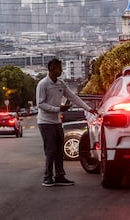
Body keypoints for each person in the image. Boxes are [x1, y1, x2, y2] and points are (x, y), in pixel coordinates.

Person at [36, 58, 97, 187]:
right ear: (51, 69)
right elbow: (40, 104)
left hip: (56, 121)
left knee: (59, 150)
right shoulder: (43, 84)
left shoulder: (60, 84)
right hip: (45, 122)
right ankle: (47, 177)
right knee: (51, 150)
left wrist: (89, 109)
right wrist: (58, 109)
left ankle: (60, 176)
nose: (61, 70)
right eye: (59, 68)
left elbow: (73, 97)